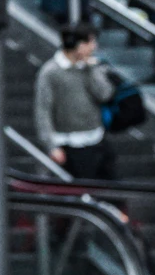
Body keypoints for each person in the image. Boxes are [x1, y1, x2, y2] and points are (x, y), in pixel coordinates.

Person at [35, 22, 118, 179]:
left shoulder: (91, 67)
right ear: (77, 44)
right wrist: (51, 146)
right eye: (89, 42)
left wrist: (92, 70)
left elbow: (105, 94)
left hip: (96, 137)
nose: (94, 47)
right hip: (68, 142)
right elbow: (43, 109)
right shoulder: (51, 72)